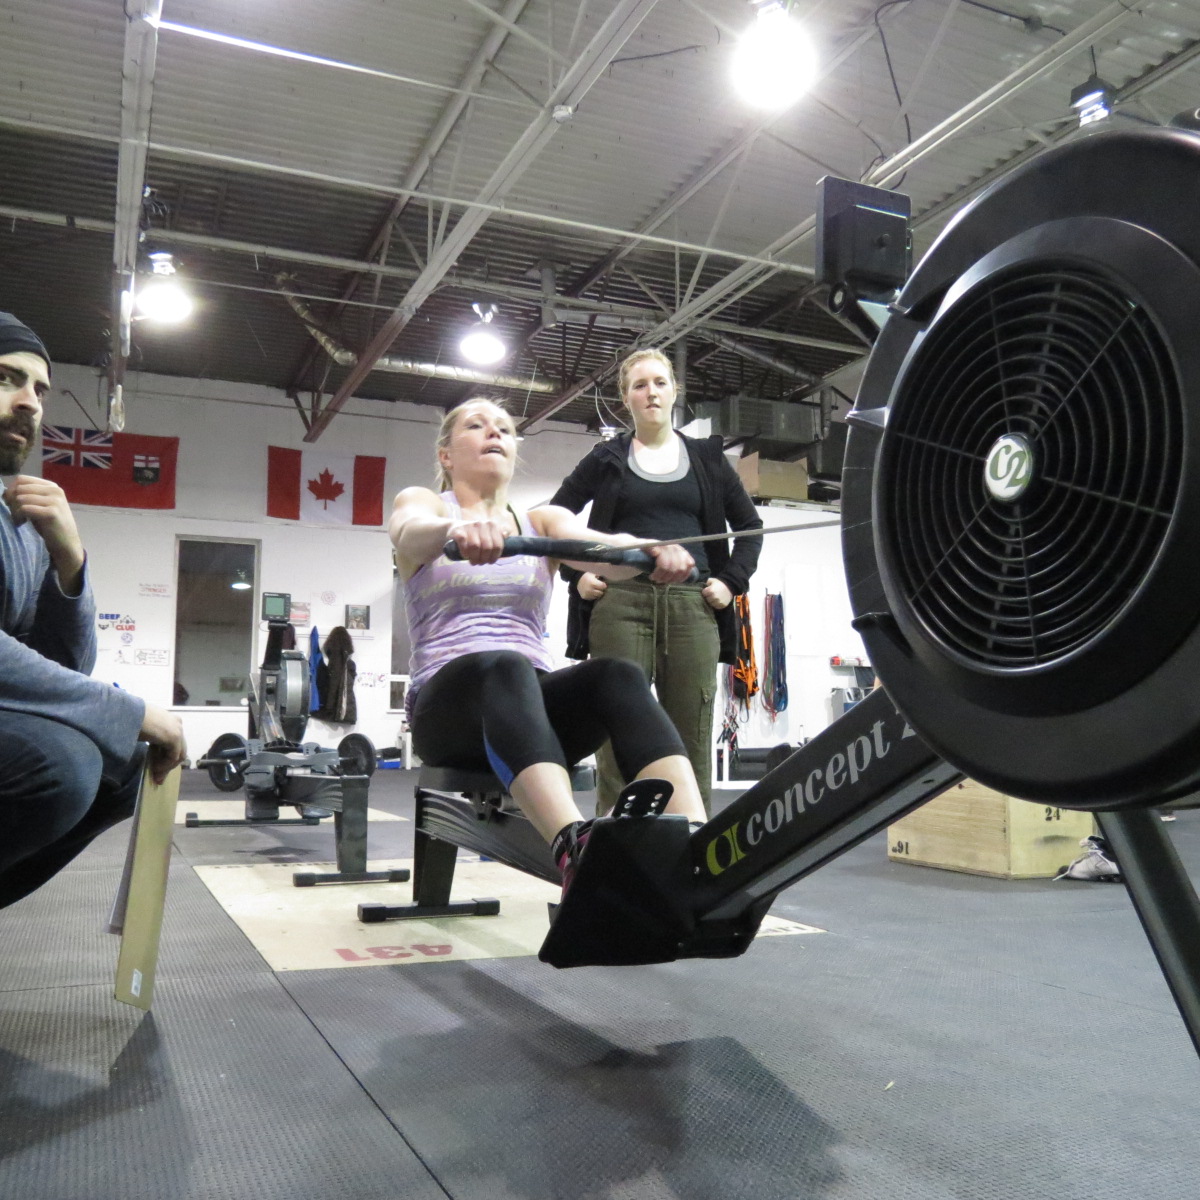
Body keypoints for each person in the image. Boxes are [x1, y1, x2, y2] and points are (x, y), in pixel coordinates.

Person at [389, 396, 708, 891]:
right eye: (477, 426)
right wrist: (456, 529)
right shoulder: (427, 504)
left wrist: (650, 551)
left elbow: (604, 550)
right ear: (446, 455)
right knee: (504, 666)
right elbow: (408, 532)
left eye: (504, 428)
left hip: (530, 711)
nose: (495, 433)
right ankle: (574, 848)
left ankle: (697, 841)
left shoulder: (540, 522)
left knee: (617, 674)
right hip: (448, 716)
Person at [0, 311, 186, 909]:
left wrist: (69, 558)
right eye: (6, 378)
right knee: (62, 764)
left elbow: (65, 667)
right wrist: (130, 710)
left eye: (40, 389)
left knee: (121, 765)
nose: (29, 403)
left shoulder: (20, 518)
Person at [550, 348, 763, 816]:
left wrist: (731, 583)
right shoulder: (606, 458)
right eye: (640, 385)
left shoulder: (707, 459)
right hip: (619, 604)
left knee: (691, 735)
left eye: (660, 383)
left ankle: (693, 841)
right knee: (614, 732)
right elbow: (553, 520)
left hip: (693, 607)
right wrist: (577, 572)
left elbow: (750, 527)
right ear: (626, 398)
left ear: (674, 391)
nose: (651, 393)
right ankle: (613, 845)